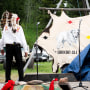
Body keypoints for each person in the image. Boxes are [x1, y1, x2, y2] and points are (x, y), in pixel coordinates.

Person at [0, 11, 28, 82]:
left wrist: (1, 48)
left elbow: (2, 39)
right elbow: (23, 39)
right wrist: (26, 50)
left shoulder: (6, 27)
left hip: (9, 47)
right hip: (16, 46)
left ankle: (8, 79)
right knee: (19, 64)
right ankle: (20, 79)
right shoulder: (18, 27)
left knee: (9, 64)